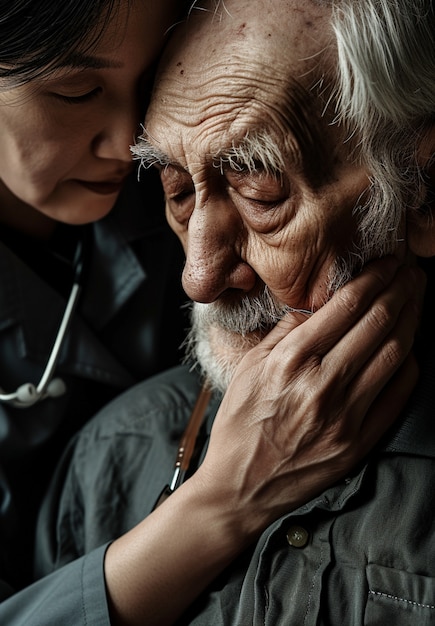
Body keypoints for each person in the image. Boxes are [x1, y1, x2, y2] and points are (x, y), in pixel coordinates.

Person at [2, 0, 433, 624]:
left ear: (424, 191)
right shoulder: (110, 455)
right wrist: (220, 501)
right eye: (175, 189)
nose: (197, 280)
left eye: (258, 188)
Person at [0, 0, 187, 596]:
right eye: (79, 93)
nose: (132, 142)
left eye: (152, 78)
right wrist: (216, 510)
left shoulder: (176, 201)